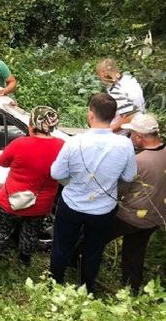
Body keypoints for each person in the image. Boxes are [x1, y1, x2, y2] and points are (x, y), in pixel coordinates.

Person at [49, 93, 137, 293]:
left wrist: (72, 182)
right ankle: (87, 288)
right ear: (114, 117)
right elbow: (130, 176)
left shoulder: (74, 142)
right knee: (94, 250)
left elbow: (56, 173)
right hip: (104, 209)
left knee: (62, 245)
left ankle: (55, 283)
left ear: (90, 114)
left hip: (72, 205)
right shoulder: (124, 145)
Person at [0, 107, 64, 268]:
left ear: (32, 124)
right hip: (41, 203)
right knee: (31, 232)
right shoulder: (61, 146)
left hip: (11, 199)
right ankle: (24, 261)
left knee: (1, 230)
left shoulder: (19, 144)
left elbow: (2, 162)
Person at [105, 113, 166, 294]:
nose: (130, 137)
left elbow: (121, 189)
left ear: (139, 136)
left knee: (94, 235)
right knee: (135, 251)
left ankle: (75, 262)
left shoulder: (139, 161)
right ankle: (132, 289)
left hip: (130, 217)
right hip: (155, 217)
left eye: (132, 134)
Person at [96, 58, 145, 134]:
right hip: (141, 125)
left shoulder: (116, 90)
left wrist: (107, 131)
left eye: (99, 76)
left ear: (103, 73)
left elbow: (130, 117)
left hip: (127, 133)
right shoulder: (129, 79)